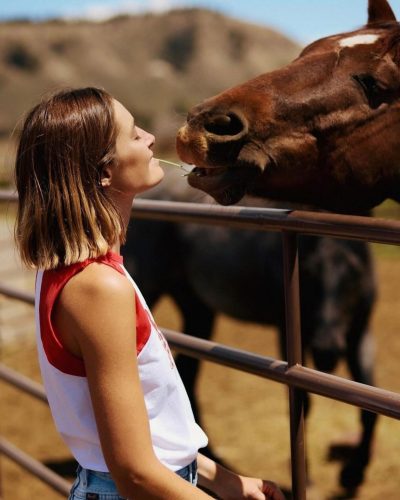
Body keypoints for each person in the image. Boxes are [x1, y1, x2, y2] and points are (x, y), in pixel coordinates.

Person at [14, 87, 285, 500]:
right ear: (102, 172)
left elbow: (151, 437)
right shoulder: (97, 288)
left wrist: (229, 483)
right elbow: (134, 473)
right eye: (133, 134)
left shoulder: (78, 270)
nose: (151, 138)